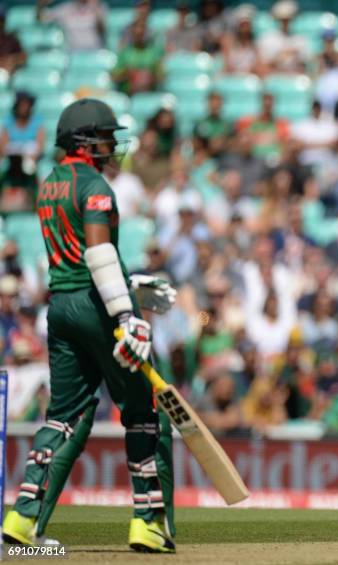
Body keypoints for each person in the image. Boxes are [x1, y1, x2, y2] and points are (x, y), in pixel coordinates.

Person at [2, 99, 177, 552]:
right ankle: (147, 523)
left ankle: (22, 517)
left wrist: (129, 284)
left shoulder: (49, 185)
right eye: (103, 137)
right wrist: (126, 314)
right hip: (97, 306)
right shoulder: (94, 184)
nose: (110, 146)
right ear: (83, 141)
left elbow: (75, 256)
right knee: (140, 412)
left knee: (61, 416)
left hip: (60, 308)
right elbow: (97, 254)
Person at [36, 0, 106, 52]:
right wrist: (41, 4)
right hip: (74, 55)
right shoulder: (65, 9)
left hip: (95, 53)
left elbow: (103, 30)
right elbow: (41, 19)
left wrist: (94, 6)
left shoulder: (98, 7)